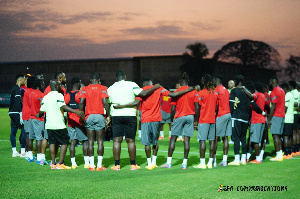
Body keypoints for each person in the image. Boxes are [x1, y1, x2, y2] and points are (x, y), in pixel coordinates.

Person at [114, 78, 192, 170]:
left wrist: (121, 106)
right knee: (155, 141)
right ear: (152, 83)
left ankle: (149, 163)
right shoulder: (159, 88)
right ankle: (154, 163)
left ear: (143, 83)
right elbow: (172, 94)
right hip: (156, 119)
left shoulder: (142, 90)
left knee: (147, 143)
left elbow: (136, 102)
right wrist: (188, 89)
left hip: (145, 119)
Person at [107, 70, 161, 170]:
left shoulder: (110, 88)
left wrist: (108, 115)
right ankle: (133, 165)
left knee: (116, 141)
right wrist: (156, 87)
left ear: (116, 78)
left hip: (116, 115)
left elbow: (107, 103)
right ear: (124, 76)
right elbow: (144, 93)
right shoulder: (131, 84)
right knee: (131, 141)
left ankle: (117, 165)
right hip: (130, 114)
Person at [37, 79, 84, 169]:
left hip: (49, 124)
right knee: (64, 142)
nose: (61, 87)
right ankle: (60, 163)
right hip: (58, 124)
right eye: (59, 85)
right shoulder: (58, 95)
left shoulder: (46, 97)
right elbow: (63, 106)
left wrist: (37, 114)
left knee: (52, 143)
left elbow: (41, 111)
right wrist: (76, 112)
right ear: (55, 86)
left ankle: (53, 164)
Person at [161, 73, 198, 169]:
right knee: (186, 141)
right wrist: (196, 120)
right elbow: (197, 107)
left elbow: (172, 108)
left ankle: (168, 163)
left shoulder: (177, 92)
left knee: (173, 139)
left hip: (179, 116)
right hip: (190, 116)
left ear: (180, 81)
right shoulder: (193, 92)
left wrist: (172, 119)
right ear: (188, 81)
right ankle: (184, 164)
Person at [79, 73, 110, 171]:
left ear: (90, 80)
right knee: (100, 142)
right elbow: (105, 102)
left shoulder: (85, 88)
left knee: (90, 142)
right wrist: (108, 115)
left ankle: (91, 166)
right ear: (99, 80)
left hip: (89, 116)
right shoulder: (103, 87)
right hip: (100, 115)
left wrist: (81, 115)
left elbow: (81, 102)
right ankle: (99, 166)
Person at [193, 74, 218, 169]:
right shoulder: (215, 93)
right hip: (212, 120)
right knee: (212, 141)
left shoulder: (201, 93)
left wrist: (196, 120)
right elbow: (216, 107)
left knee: (202, 141)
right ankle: (210, 163)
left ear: (204, 82)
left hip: (203, 120)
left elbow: (197, 109)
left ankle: (202, 163)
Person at [64, 77, 88, 169]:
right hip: (80, 121)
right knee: (85, 141)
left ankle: (73, 163)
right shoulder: (80, 94)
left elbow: (63, 107)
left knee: (73, 142)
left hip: (70, 122)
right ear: (78, 83)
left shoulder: (67, 95)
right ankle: (86, 163)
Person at [228, 75, 251, 165]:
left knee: (236, 138)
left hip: (236, 117)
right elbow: (252, 98)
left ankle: (237, 160)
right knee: (243, 138)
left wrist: (230, 114)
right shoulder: (246, 91)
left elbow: (232, 104)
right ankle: (243, 159)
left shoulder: (234, 91)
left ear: (236, 81)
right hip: (245, 118)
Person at [244, 83, 268, 163]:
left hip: (256, 120)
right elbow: (268, 106)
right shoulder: (263, 96)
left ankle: (257, 159)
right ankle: (248, 157)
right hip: (262, 120)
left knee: (255, 140)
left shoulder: (256, 94)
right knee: (256, 139)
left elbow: (252, 99)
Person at [213, 75, 231, 167]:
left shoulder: (217, 90)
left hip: (221, 114)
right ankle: (224, 160)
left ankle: (214, 160)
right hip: (228, 114)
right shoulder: (226, 90)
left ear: (216, 80)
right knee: (225, 138)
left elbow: (216, 105)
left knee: (215, 137)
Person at [29, 78, 47, 165]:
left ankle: (30, 155)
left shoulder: (31, 93)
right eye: (43, 84)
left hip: (31, 117)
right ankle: (40, 157)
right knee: (40, 138)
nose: (43, 86)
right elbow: (42, 107)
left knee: (33, 137)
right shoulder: (41, 95)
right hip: (39, 118)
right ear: (40, 85)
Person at [268, 76, 285, 161]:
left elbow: (273, 107)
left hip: (276, 115)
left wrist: (269, 119)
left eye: (270, 82)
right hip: (282, 115)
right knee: (278, 136)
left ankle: (278, 155)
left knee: (275, 136)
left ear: (272, 82)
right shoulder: (282, 90)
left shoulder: (274, 92)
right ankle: (280, 153)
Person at [9, 74, 26, 157]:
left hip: (12, 112)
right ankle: (23, 151)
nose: (25, 81)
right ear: (20, 80)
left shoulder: (13, 88)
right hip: (16, 113)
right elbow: (17, 102)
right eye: (23, 79)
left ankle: (14, 151)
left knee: (13, 131)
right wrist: (20, 113)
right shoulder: (17, 88)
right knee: (24, 130)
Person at [22, 76, 35, 159]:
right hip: (30, 115)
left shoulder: (26, 91)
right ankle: (29, 154)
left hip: (25, 114)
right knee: (29, 135)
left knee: (28, 134)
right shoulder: (31, 92)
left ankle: (28, 153)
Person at [281, 83, 294, 159]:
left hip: (287, 119)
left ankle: (286, 153)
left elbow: (285, 108)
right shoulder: (291, 95)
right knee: (289, 136)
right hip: (291, 118)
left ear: (285, 89)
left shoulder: (287, 96)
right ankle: (289, 152)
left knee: (285, 136)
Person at [288, 80, 299, 156]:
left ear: (291, 85)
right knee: (298, 132)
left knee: (294, 132)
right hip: (298, 114)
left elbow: (296, 104)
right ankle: (298, 149)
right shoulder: (298, 93)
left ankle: (294, 149)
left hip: (294, 114)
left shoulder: (293, 93)